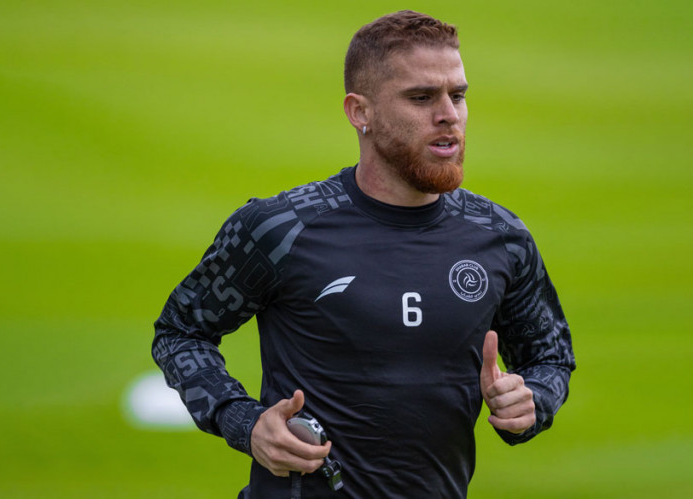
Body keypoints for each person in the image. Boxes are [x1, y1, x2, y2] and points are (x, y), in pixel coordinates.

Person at [153, 10, 575, 498]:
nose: (449, 115)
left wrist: (531, 400)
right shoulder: (282, 229)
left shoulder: (500, 236)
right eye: (421, 98)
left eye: (458, 95)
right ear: (360, 112)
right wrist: (244, 422)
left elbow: (550, 357)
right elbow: (181, 331)